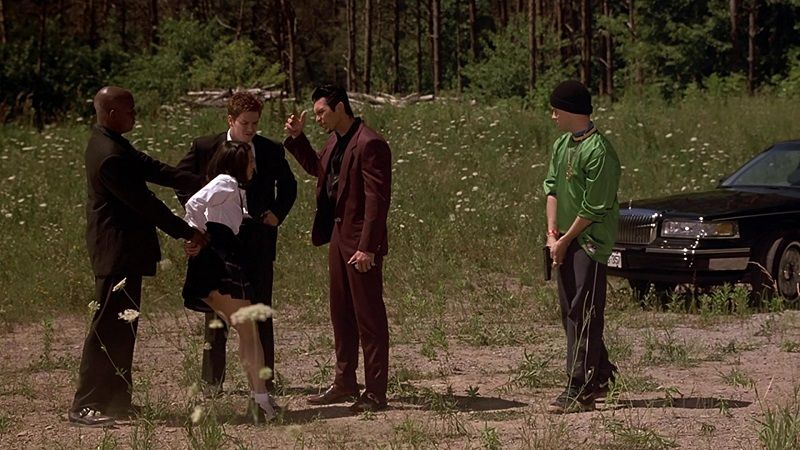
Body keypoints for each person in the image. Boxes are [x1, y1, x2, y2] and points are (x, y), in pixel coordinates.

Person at [71, 86, 208, 427]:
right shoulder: (109, 155)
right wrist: (188, 232)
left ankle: (117, 399)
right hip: (115, 251)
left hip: (126, 252)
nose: (135, 115)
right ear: (112, 113)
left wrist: (205, 182)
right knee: (106, 328)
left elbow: (153, 169)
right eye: (130, 110)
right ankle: (85, 403)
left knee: (124, 326)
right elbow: (146, 204)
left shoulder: (113, 142)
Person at [176, 92, 296, 394]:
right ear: (230, 120)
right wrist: (198, 227)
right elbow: (181, 181)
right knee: (217, 316)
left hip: (257, 240)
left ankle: (264, 381)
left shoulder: (270, 149)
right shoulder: (205, 146)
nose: (251, 129)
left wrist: (276, 214)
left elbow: (289, 185)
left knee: (260, 311)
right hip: (218, 242)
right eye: (245, 123)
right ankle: (212, 382)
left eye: (256, 123)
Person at [283, 85, 392, 413]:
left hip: (360, 243)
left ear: (340, 107)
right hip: (338, 237)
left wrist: (368, 247)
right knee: (341, 313)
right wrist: (298, 138)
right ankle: (345, 382)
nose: (318, 118)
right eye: (316, 114)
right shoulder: (335, 140)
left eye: (322, 113)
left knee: (369, 317)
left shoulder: (370, 143)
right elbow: (320, 170)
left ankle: (375, 392)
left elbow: (377, 200)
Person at [182, 140, 277, 421]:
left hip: (220, 258)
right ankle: (261, 403)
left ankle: (260, 400)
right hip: (219, 262)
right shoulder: (226, 182)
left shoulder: (231, 188)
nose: (253, 166)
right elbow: (193, 204)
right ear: (237, 164)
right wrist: (198, 235)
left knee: (248, 333)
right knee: (249, 334)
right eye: (250, 161)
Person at [543, 80, 621, 414]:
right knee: (569, 313)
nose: (553, 116)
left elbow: (594, 207)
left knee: (584, 313)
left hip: (588, 241)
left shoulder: (600, 151)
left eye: (556, 110)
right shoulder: (562, 144)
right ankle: (601, 374)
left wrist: (566, 240)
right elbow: (551, 188)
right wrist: (552, 235)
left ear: (571, 111)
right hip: (563, 239)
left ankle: (580, 388)